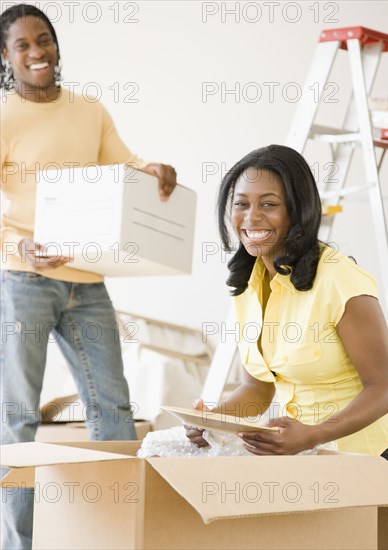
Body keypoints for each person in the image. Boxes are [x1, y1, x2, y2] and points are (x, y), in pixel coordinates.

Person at [0, 4, 177, 549]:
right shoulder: (5, 116)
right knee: (19, 415)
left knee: (112, 408)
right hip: (22, 279)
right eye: (22, 45)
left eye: (44, 40)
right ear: (6, 58)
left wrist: (155, 172)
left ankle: (117, 535)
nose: (37, 52)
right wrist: (19, 244)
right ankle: (18, 543)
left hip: (88, 280)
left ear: (56, 44)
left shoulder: (89, 110)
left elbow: (125, 167)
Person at [186, 144, 388, 539]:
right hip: (315, 466)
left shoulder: (338, 277)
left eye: (269, 204)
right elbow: (256, 387)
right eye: (241, 203)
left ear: (297, 211)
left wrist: (312, 433)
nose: (251, 217)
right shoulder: (247, 286)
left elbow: (386, 387)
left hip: (381, 464)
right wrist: (213, 422)